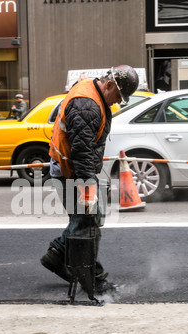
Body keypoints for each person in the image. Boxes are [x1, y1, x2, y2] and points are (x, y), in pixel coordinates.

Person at [40, 65, 139, 295]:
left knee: (84, 219)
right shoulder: (87, 105)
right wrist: (87, 191)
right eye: (118, 96)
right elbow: (82, 152)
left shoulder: (92, 91)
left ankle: (56, 255)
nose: (117, 102)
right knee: (87, 223)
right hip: (70, 171)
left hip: (72, 169)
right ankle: (94, 279)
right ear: (110, 84)